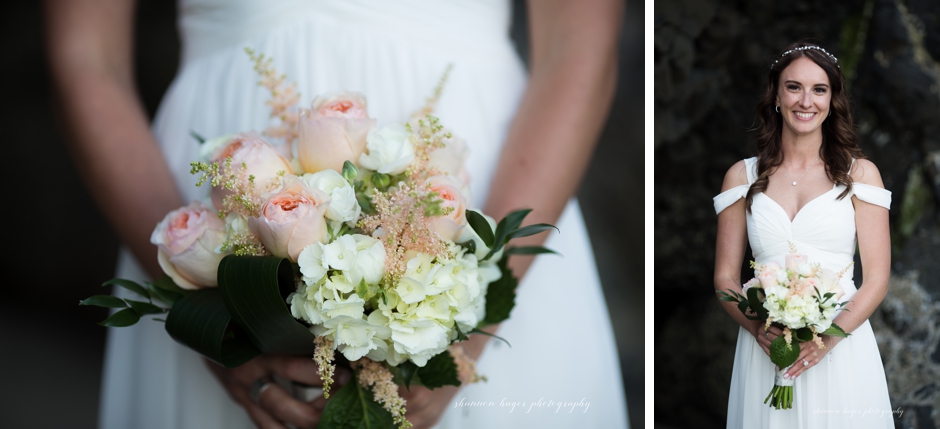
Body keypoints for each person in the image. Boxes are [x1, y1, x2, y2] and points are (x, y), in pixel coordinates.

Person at [45, 0, 628, 428]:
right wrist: (210, 314)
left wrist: (469, 323)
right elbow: (86, 54)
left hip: (496, 183)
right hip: (213, 207)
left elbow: (577, 45)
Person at [713, 42, 894, 428]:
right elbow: (725, 278)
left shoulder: (860, 175)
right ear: (776, 95)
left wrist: (826, 341)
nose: (805, 101)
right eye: (793, 87)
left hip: (840, 345)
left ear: (832, 99)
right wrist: (756, 325)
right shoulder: (741, 176)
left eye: (819, 89)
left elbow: (876, 279)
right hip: (765, 346)